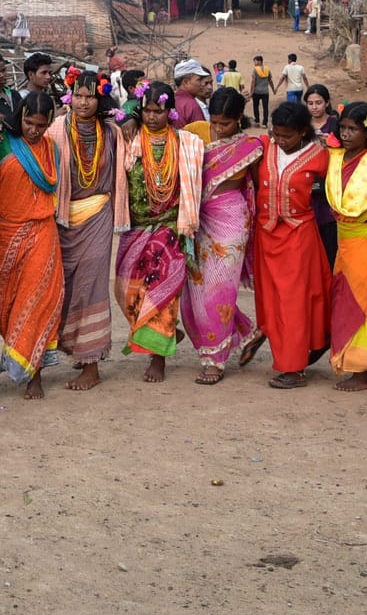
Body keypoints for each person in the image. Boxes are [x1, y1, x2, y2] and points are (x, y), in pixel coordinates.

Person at [117, 81, 204, 384]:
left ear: (170, 111)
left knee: (161, 295)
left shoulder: (186, 143)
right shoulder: (128, 138)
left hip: (169, 228)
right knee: (127, 292)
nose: (152, 116)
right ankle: (162, 334)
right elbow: (106, 115)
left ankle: (158, 357)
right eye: (147, 111)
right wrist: (128, 118)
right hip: (136, 228)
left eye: (159, 111)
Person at [43, 72, 124, 391]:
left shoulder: (113, 132)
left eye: (90, 96)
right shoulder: (55, 130)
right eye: (79, 95)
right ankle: (75, 348)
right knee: (66, 287)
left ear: (100, 98)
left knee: (91, 286)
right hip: (62, 218)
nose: (84, 102)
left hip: (98, 213)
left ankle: (91, 364)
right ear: (70, 96)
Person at [242, 101, 331, 387]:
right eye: (277, 134)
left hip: (299, 238)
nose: (281, 140)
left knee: (293, 303)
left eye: (287, 136)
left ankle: (293, 368)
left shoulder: (321, 155)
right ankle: (277, 339)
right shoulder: (263, 146)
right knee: (271, 301)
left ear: (302, 132)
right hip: (266, 236)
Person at [0, 92, 67, 398]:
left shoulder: (51, 149)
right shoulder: (0, 144)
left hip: (42, 232)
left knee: (37, 302)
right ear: (18, 117)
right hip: (4, 235)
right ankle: (17, 354)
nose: (34, 130)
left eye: (41, 124)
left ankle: (35, 373)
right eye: (28, 122)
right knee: (3, 303)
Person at [181, 88, 262, 385]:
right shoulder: (195, 139)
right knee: (193, 295)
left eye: (224, 124)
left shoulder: (251, 147)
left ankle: (215, 361)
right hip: (198, 222)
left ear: (239, 119)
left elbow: (258, 187)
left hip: (231, 223)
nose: (217, 129)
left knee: (218, 291)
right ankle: (246, 332)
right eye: (213, 122)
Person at [325, 103, 367, 390]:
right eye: (343, 128)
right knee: (346, 301)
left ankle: (361, 373)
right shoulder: (335, 157)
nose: (347, 134)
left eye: (354, 129)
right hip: (345, 240)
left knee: (358, 306)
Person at [170, 59, 213, 130]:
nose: (202, 84)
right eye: (198, 80)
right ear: (186, 82)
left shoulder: (173, 100)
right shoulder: (191, 105)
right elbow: (202, 134)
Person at [247, 56, 273, 125]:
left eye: (255, 61)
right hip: (265, 91)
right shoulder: (267, 69)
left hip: (256, 91)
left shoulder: (255, 70)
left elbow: (253, 81)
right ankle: (264, 122)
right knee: (265, 107)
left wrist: (251, 92)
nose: (254, 63)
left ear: (259, 61)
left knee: (255, 106)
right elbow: (270, 81)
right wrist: (273, 89)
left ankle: (257, 120)